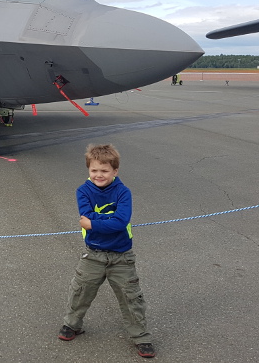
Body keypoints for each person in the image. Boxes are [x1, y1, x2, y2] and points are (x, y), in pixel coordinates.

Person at [58, 144, 155, 358]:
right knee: (81, 290)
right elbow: (86, 217)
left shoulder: (123, 192)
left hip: (122, 256)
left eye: (104, 171)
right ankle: (72, 325)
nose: (98, 175)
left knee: (131, 297)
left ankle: (141, 336)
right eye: (94, 170)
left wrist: (94, 222)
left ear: (115, 171)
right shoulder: (83, 191)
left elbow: (119, 222)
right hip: (94, 253)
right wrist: (103, 221)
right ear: (88, 170)